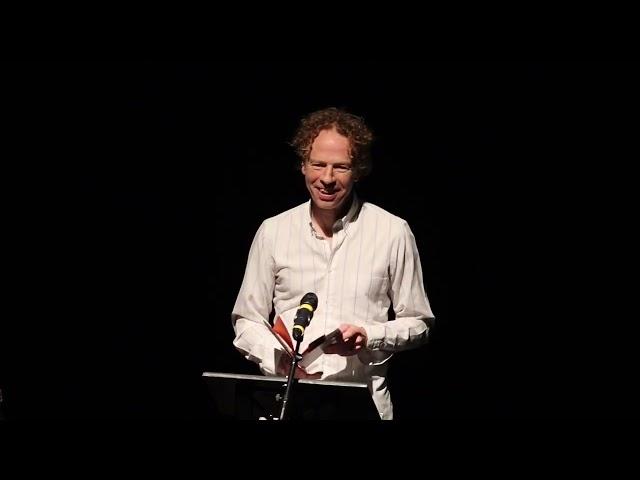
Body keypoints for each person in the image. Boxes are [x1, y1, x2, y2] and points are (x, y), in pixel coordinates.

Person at [231, 107, 435, 419]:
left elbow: (419, 323)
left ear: (358, 170)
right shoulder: (273, 231)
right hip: (290, 402)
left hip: (363, 406)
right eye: (318, 164)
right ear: (303, 165)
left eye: (340, 167)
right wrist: (277, 360)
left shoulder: (393, 231)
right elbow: (247, 319)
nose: (327, 178)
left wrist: (369, 335)